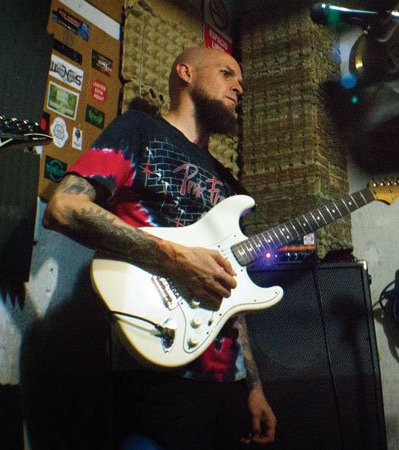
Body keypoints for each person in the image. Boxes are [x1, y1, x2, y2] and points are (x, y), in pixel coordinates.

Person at [43, 47, 276, 449]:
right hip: (157, 365)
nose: (239, 87)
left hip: (227, 380)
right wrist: (175, 259)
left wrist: (253, 387)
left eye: (240, 81)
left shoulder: (228, 183)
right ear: (185, 72)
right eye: (227, 73)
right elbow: (65, 206)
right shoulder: (138, 131)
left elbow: (232, 287)